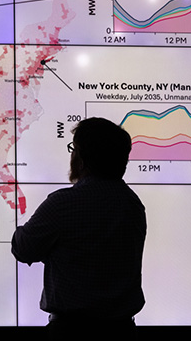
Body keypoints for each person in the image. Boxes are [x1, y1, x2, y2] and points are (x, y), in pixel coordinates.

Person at [12, 117, 146, 340]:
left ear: (82, 160)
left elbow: (23, 248)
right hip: (122, 332)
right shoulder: (133, 205)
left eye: (74, 149)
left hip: (70, 333)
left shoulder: (63, 204)